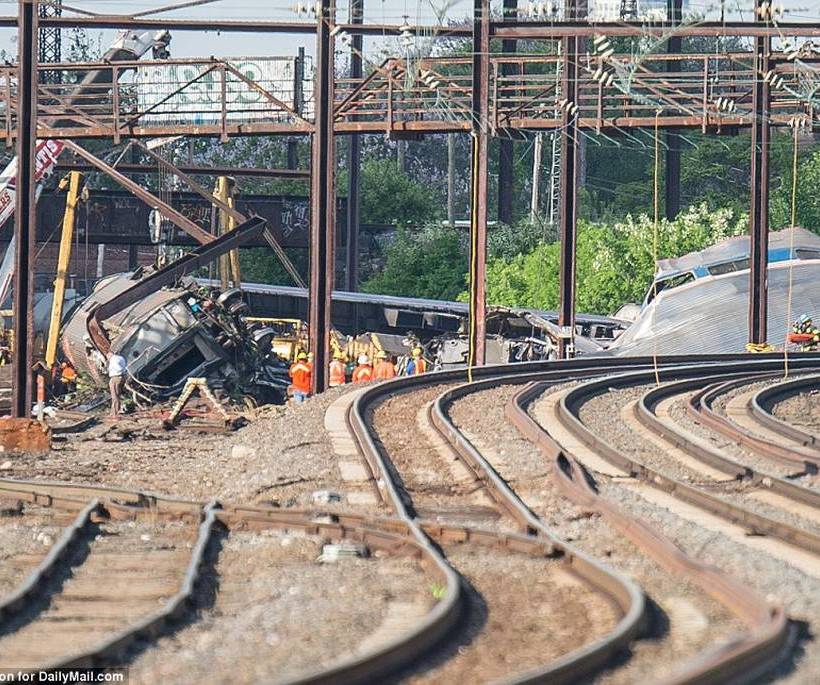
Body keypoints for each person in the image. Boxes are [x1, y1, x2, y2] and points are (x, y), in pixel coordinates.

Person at [107, 350, 126, 418]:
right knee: (118, 394)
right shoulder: (120, 358)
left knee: (114, 396)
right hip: (122, 377)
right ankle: (118, 410)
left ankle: (115, 413)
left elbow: (117, 368)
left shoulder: (113, 360)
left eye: (108, 357)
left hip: (115, 377)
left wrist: (118, 371)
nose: (108, 359)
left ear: (110, 355)